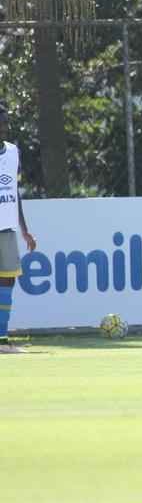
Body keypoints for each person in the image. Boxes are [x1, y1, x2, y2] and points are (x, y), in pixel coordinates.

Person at [0, 106, 36, 354]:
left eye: (5, 123)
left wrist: (25, 230)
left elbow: (15, 193)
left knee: (8, 281)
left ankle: (2, 339)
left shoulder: (13, 152)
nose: (3, 127)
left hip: (8, 228)